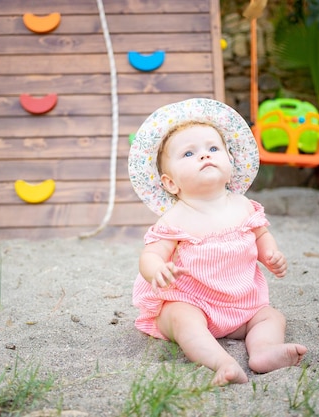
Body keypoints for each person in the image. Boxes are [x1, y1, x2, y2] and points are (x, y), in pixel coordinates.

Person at [128, 98, 307, 386]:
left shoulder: (244, 206)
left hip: (241, 305)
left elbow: (260, 234)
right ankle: (221, 362)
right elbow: (151, 254)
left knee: (270, 316)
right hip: (191, 301)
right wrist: (157, 270)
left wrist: (271, 253)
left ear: (231, 162)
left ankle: (263, 351)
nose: (204, 156)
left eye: (213, 148)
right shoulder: (176, 218)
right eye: (189, 153)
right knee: (183, 319)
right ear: (170, 183)